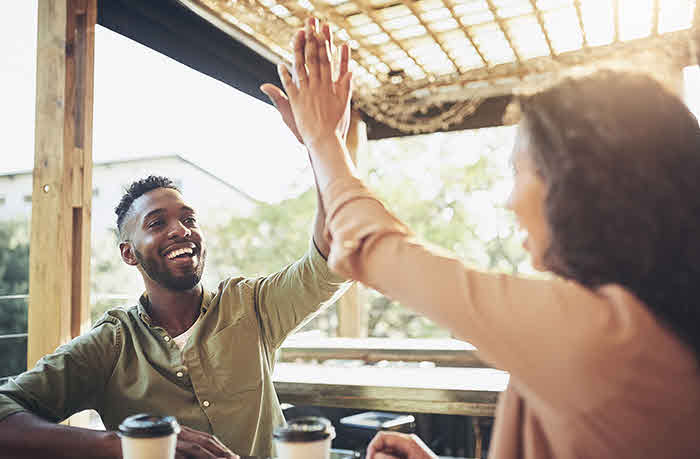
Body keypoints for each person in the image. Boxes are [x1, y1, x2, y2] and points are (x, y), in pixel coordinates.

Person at [272, 19, 700, 459]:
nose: (511, 202)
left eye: (519, 171)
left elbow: (378, 247)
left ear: (575, 186)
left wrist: (323, 141)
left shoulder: (605, 339)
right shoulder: (649, 324)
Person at [0, 23, 351, 459]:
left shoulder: (252, 307)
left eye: (188, 218)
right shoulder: (111, 346)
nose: (180, 230)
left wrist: (324, 144)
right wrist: (121, 444)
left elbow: (335, 254)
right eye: (157, 223)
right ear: (128, 254)